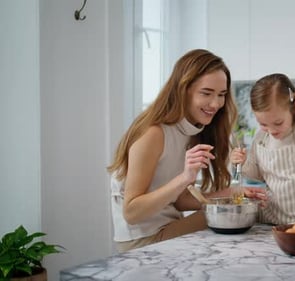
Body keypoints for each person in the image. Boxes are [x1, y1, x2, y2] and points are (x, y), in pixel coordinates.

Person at [107, 49, 266, 252]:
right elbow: (131, 212)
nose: (216, 103)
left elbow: (180, 201)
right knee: (229, 223)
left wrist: (233, 192)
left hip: (167, 226)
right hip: (143, 239)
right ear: (183, 89)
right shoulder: (153, 134)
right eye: (206, 93)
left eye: (222, 94)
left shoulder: (191, 129)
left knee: (231, 217)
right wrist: (184, 177)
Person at [231, 73, 295, 225]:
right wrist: (241, 162)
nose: (271, 130)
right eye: (263, 124)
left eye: (278, 123)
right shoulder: (261, 137)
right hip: (267, 223)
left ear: (293, 108)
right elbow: (257, 175)